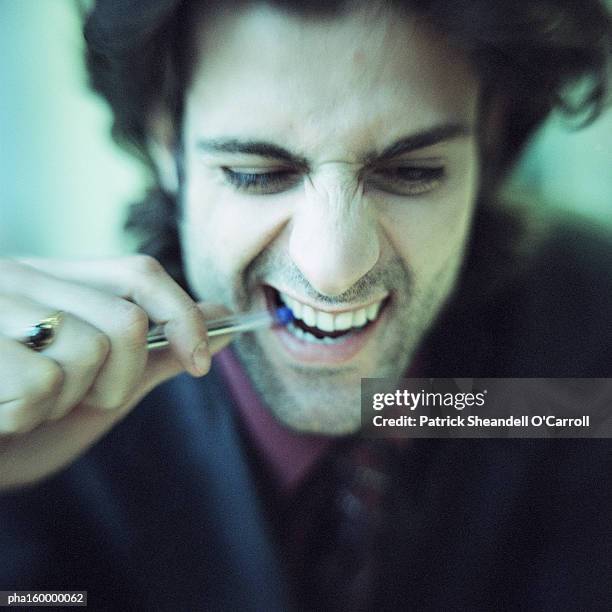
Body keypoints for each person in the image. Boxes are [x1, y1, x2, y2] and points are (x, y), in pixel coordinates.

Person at [1, 0, 611, 609]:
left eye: (413, 171)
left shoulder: (587, 346)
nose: (334, 268)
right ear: (168, 143)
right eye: (256, 173)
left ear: (492, 137)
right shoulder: (45, 429)